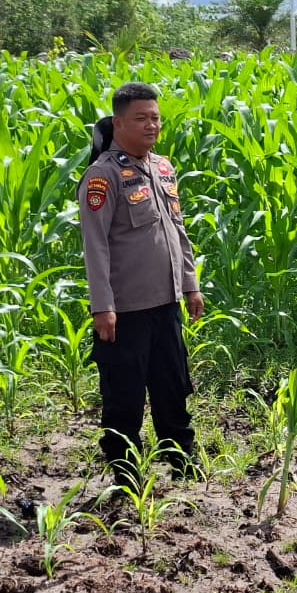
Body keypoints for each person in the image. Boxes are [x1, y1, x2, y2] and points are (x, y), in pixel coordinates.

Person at [78, 81, 204, 486]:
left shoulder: (162, 168)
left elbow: (177, 230)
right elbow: (94, 246)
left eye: (156, 118)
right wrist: (102, 306)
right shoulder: (102, 176)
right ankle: (125, 474)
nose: (151, 126)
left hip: (165, 304)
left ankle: (182, 462)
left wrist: (190, 283)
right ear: (118, 122)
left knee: (173, 388)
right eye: (141, 119)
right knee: (124, 397)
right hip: (124, 311)